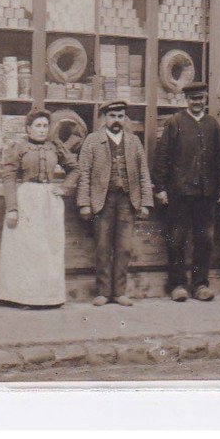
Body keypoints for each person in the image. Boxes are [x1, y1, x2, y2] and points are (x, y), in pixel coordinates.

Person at [0, 107, 78, 309]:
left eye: (45, 126)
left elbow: (75, 168)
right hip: (26, 199)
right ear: (29, 128)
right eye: (38, 126)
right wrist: (12, 208)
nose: (42, 129)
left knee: (47, 249)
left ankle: (47, 297)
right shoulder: (19, 147)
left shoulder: (55, 147)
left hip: (48, 201)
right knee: (26, 249)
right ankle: (23, 297)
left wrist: (64, 188)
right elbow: (9, 177)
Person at [153, 82, 220, 302]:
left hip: (206, 194)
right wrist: (160, 188)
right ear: (186, 100)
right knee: (177, 240)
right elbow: (162, 157)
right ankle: (177, 285)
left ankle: (200, 284)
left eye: (201, 98)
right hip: (180, 193)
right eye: (193, 98)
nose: (197, 102)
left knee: (205, 240)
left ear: (205, 99)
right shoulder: (175, 123)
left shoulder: (212, 124)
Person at [76, 101, 153, 307]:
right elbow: (84, 174)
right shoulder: (93, 141)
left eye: (120, 116)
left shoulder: (134, 142)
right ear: (104, 118)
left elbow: (143, 173)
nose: (117, 120)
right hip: (102, 201)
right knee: (102, 247)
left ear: (124, 118)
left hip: (127, 201)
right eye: (112, 116)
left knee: (124, 247)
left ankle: (119, 292)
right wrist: (84, 203)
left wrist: (146, 202)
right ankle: (103, 292)